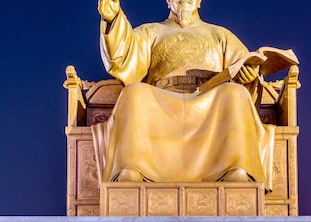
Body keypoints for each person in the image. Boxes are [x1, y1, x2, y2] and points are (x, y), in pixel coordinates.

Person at [94, 0, 282, 186]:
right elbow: (123, 59)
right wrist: (113, 18)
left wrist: (248, 77)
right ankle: (132, 168)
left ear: (200, 1)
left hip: (210, 102)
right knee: (133, 92)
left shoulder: (220, 35)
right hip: (162, 101)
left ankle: (236, 169)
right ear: (168, 1)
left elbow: (243, 68)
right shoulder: (150, 32)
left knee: (234, 93)